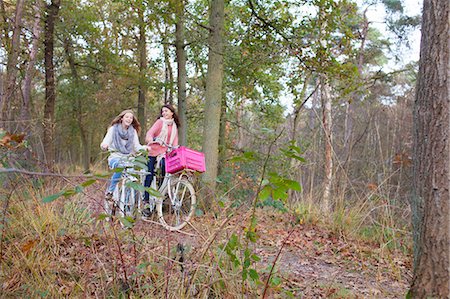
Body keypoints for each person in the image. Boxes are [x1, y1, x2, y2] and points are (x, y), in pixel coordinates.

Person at [142, 104, 180, 217]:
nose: (164, 113)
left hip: (165, 153)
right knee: (149, 173)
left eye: (166, 111)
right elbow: (150, 133)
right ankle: (146, 200)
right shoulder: (160, 122)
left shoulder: (174, 127)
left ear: (172, 113)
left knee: (166, 169)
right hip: (154, 150)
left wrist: (176, 149)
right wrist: (151, 140)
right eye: (163, 111)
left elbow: (175, 142)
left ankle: (162, 193)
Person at [100, 109, 147, 201]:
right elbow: (105, 142)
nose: (129, 119)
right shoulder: (113, 129)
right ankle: (110, 191)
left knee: (131, 178)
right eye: (127, 117)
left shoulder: (132, 132)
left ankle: (127, 203)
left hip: (128, 159)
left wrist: (145, 148)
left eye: (131, 118)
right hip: (115, 158)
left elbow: (137, 147)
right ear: (122, 118)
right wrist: (104, 145)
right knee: (120, 167)